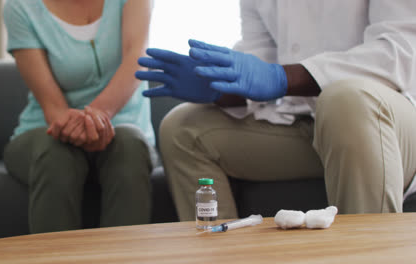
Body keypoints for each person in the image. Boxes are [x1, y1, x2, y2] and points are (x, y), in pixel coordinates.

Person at [135, 0, 416, 221]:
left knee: (344, 101)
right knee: (183, 128)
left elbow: (398, 54)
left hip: (387, 125)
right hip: (311, 126)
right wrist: (221, 89)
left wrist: (281, 77)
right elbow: (262, 61)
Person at [3, 0, 155, 233]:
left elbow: (137, 60)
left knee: (130, 147)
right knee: (56, 153)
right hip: (49, 131)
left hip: (125, 128)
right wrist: (85, 125)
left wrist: (100, 116)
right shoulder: (21, 6)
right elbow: (53, 106)